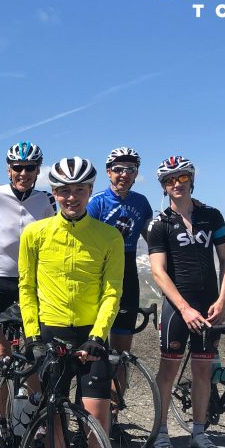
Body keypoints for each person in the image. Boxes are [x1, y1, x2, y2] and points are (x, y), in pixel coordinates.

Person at [18, 157, 124, 448]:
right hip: (50, 334)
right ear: (55, 193)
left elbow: (112, 291)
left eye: (79, 190)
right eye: (64, 190)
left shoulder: (108, 236)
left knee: (96, 419)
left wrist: (98, 336)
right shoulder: (36, 233)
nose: (71, 196)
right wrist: (32, 336)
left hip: (91, 336)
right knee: (55, 418)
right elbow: (26, 288)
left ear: (89, 192)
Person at [147, 156, 225, 448]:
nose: (176, 184)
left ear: (191, 179)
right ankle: (159, 431)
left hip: (209, 304)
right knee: (168, 370)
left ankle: (198, 432)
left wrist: (222, 300)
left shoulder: (212, 216)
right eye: (169, 180)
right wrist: (184, 308)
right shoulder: (159, 224)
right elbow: (158, 272)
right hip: (177, 307)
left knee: (203, 370)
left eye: (181, 178)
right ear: (163, 186)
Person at [0, 141, 56, 363]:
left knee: (34, 350)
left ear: (38, 170)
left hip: (31, 280)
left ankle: (32, 398)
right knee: (1, 352)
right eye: (18, 167)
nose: (23, 173)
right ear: (8, 169)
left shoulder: (46, 200)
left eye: (30, 167)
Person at [87, 147, 154, 355]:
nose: (124, 174)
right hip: (98, 273)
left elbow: (152, 240)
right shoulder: (96, 202)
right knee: (91, 348)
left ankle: (118, 387)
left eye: (131, 169)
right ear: (109, 172)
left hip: (128, 274)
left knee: (121, 354)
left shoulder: (141, 202)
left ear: (136, 174)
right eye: (118, 169)